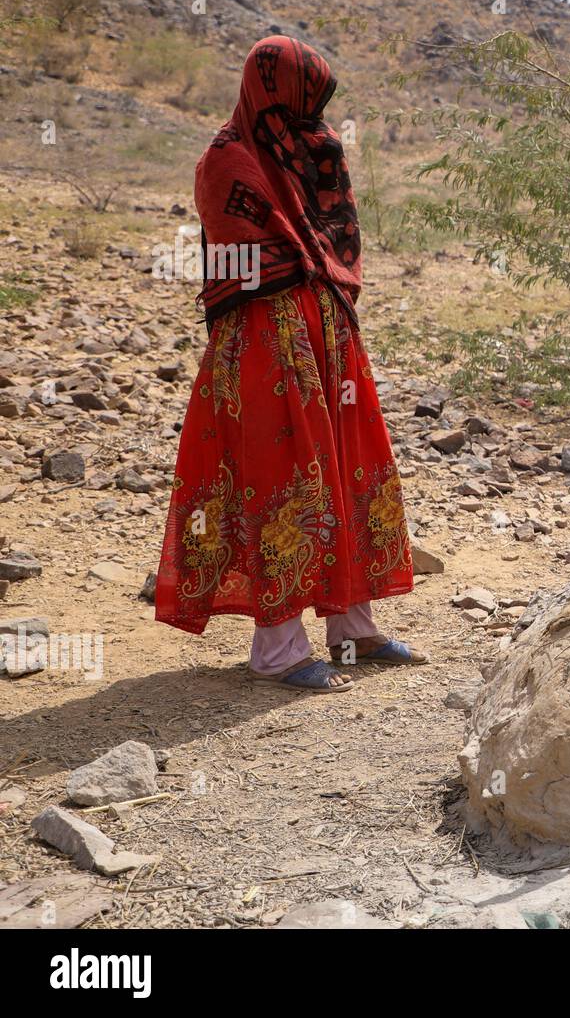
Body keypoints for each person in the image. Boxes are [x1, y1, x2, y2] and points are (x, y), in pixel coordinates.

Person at [154, 35, 424, 692]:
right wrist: (304, 279)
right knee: (279, 474)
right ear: (269, 92)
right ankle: (276, 648)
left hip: (327, 334)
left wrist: (321, 290)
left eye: (316, 103)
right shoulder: (227, 159)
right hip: (264, 336)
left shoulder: (315, 153)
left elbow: (337, 242)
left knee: (343, 466)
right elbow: (239, 255)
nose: (311, 119)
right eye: (301, 101)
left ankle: (352, 628)